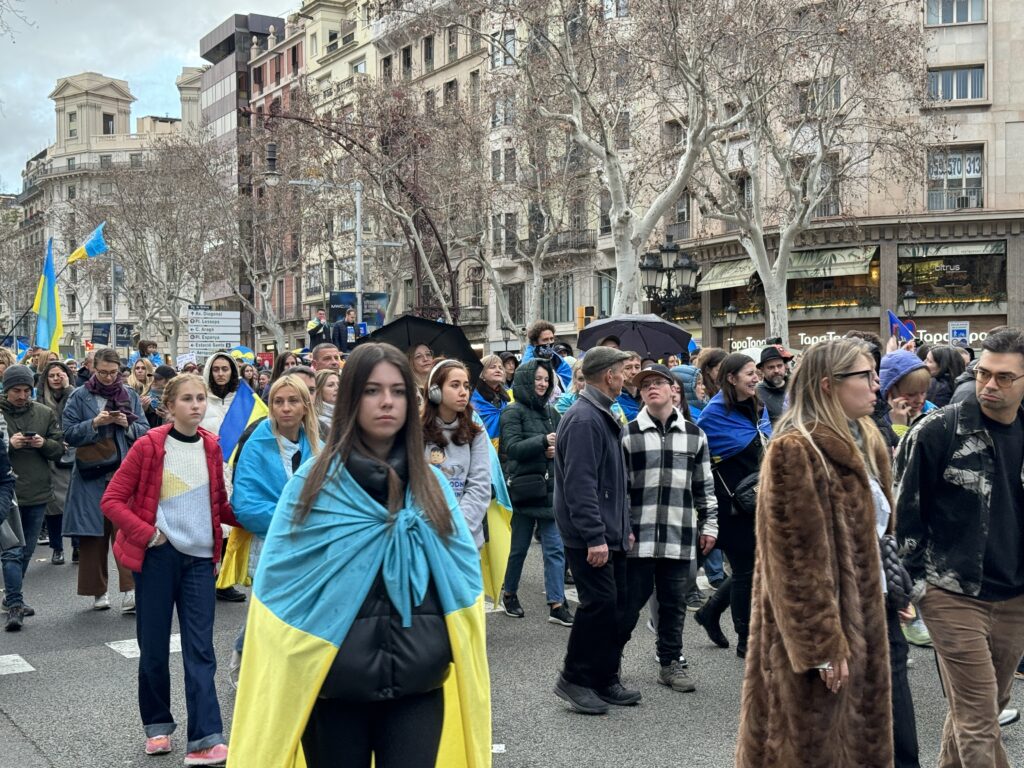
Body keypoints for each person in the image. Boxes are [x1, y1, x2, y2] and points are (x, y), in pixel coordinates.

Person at [228, 343, 489, 768]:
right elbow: (279, 590)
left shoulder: (433, 486)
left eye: (398, 391)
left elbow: (461, 578)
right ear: (351, 398)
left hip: (419, 685)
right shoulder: (311, 485)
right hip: (332, 686)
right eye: (372, 390)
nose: (387, 401)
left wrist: (442, 647)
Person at [736, 338, 895, 768]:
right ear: (828, 384)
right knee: (808, 746)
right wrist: (821, 645)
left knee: (865, 741)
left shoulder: (867, 437)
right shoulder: (795, 449)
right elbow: (795, 559)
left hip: (869, 616)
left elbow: (879, 533)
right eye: (865, 375)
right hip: (818, 631)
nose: (876, 384)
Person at [894, 327, 1024, 768]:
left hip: (1015, 594)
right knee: (979, 717)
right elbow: (905, 512)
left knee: (988, 704)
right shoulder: (938, 430)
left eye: (1004, 377)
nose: (990, 384)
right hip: (951, 590)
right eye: (984, 373)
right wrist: (913, 587)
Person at [100, 373, 236, 766]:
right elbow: (112, 500)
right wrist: (149, 535)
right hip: (158, 558)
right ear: (169, 406)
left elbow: (218, 504)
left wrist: (262, 519)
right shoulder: (149, 445)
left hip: (200, 560)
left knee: (201, 649)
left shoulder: (212, 446)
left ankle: (206, 738)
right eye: (187, 399)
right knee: (155, 649)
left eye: (201, 398)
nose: (196, 405)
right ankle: (157, 726)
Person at [618, 364, 718, 694]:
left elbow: (704, 486)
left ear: (673, 388)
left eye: (658, 382)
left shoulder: (694, 434)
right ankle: (610, 660)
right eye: (645, 384)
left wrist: (710, 525)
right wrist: (624, 527)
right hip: (639, 537)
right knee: (628, 605)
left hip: (679, 534)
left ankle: (670, 661)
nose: (651, 387)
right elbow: (621, 489)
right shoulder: (629, 433)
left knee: (674, 605)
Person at [552, 346, 637, 715]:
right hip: (590, 535)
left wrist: (623, 527)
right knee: (599, 604)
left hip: (609, 530)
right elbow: (580, 485)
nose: (627, 375)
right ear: (608, 376)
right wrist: (595, 537)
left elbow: (614, 481)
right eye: (622, 370)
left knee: (616, 607)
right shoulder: (585, 419)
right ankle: (574, 678)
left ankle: (603, 678)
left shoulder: (601, 412)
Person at [694, 353, 772, 658]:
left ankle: (710, 612)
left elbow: (765, 442)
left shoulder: (758, 406)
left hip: (758, 501)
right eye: (749, 373)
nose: (755, 378)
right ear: (731, 378)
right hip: (730, 505)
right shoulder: (713, 414)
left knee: (751, 568)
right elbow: (699, 458)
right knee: (746, 570)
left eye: (756, 373)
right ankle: (745, 638)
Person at [62, 348, 149, 612]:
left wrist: (127, 425)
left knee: (126, 533)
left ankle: (130, 591)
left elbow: (145, 431)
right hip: (91, 474)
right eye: (103, 372)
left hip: (123, 473)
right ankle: (97, 591)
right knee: (93, 534)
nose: (109, 378)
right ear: (92, 368)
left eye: (113, 373)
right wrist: (94, 424)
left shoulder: (129, 395)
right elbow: (68, 433)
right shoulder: (79, 396)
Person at [498, 358, 573, 627]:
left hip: (550, 490)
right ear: (525, 380)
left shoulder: (553, 412)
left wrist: (556, 450)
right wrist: (543, 442)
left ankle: (556, 603)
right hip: (524, 490)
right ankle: (509, 593)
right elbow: (511, 448)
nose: (542, 384)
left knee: (555, 549)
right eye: (537, 379)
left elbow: (565, 446)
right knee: (517, 549)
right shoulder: (512, 412)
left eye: (546, 379)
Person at [0, 365, 64, 625]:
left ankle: (11, 596)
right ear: (6, 389)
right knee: (12, 550)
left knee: (25, 551)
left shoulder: (44, 413)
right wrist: (8, 445)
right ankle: (15, 602)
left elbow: (59, 449)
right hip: (7, 493)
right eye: (16, 390)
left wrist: (43, 443)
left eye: (27, 390)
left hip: (37, 491)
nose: (22, 395)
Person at [421, 360, 492, 548]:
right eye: (455, 385)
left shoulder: (476, 432)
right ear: (435, 391)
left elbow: (480, 485)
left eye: (466, 386)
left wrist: (458, 529)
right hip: (426, 539)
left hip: (465, 540)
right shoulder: (415, 431)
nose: (463, 392)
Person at [37, 360, 78, 565]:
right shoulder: (39, 399)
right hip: (48, 454)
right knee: (53, 506)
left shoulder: (75, 395)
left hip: (73, 455)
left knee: (74, 504)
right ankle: (57, 548)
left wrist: (68, 388)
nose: (55, 379)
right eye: (51, 375)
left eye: (59, 375)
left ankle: (77, 546)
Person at [470, 354, 510, 445]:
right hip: (482, 445)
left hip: (504, 444)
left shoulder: (505, 398)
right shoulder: (473, 396)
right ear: (482, 372)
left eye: (500, 368)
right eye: (492, 367)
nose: (498, 370)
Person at [522, 320, 572, 390]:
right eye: (545, 340)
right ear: (535, 342)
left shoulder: (558, 360)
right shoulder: (528, 363)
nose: (550, 342)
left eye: (551, 339)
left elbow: (569, 384)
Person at [199, 352, 239, 435]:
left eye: (225, 369)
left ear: (232, 371)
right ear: (209, 372)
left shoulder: (241, 401)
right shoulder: (200, 400)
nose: (220, 374)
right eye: (215, 370)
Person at [754, 345, 792, 425]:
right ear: (762, 370)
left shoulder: (796, 387)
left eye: (779, 366)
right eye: (771, 367)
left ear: (785, 367)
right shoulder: (757, 393)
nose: (776, 370)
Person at [313, 368, 341, 441]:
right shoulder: (316, 422)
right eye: (330, 385)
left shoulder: (349, 412)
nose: (337, 388)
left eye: (339, 384)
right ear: (318, 391)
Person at [615, 352, 643, 421]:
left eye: (637, 367)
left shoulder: (646, 393)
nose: (634, 372)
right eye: (628, 368)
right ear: (619, 371)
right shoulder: (614, 398)